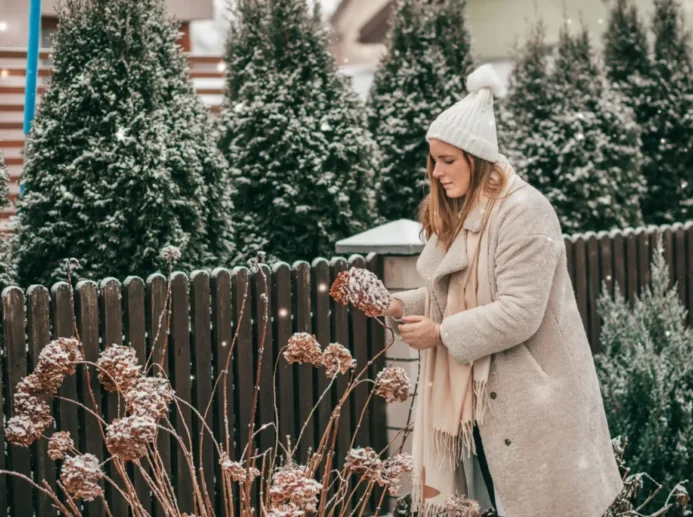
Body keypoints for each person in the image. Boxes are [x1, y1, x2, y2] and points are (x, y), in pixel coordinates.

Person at [376, 64, 624, 517]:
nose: (436, 172)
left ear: (477, 157)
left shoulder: (524, 212)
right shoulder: (462, 213)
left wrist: (441, 335)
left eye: (447, 160)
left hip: (534, 407)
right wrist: (394, 304)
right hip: (482, 408)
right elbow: (443, 296)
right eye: (432, 160)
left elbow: (518, 312)